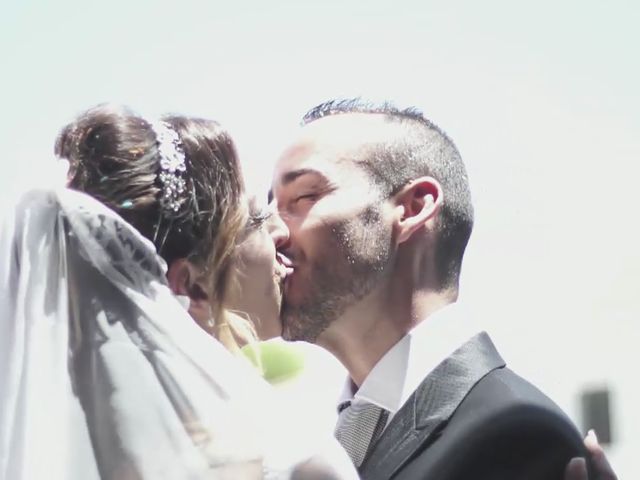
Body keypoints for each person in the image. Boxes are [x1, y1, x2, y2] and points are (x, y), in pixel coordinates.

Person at [0, 104, 357, 480]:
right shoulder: (289, 456)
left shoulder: (47, 448)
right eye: (254, 218)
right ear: (190, 286)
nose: (280, 232)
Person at [269, 98, 597, 479]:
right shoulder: (320, 438)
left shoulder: (516, 433)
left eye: (304, 197)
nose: (272, 229)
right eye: (270, 206)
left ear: (412, 208)